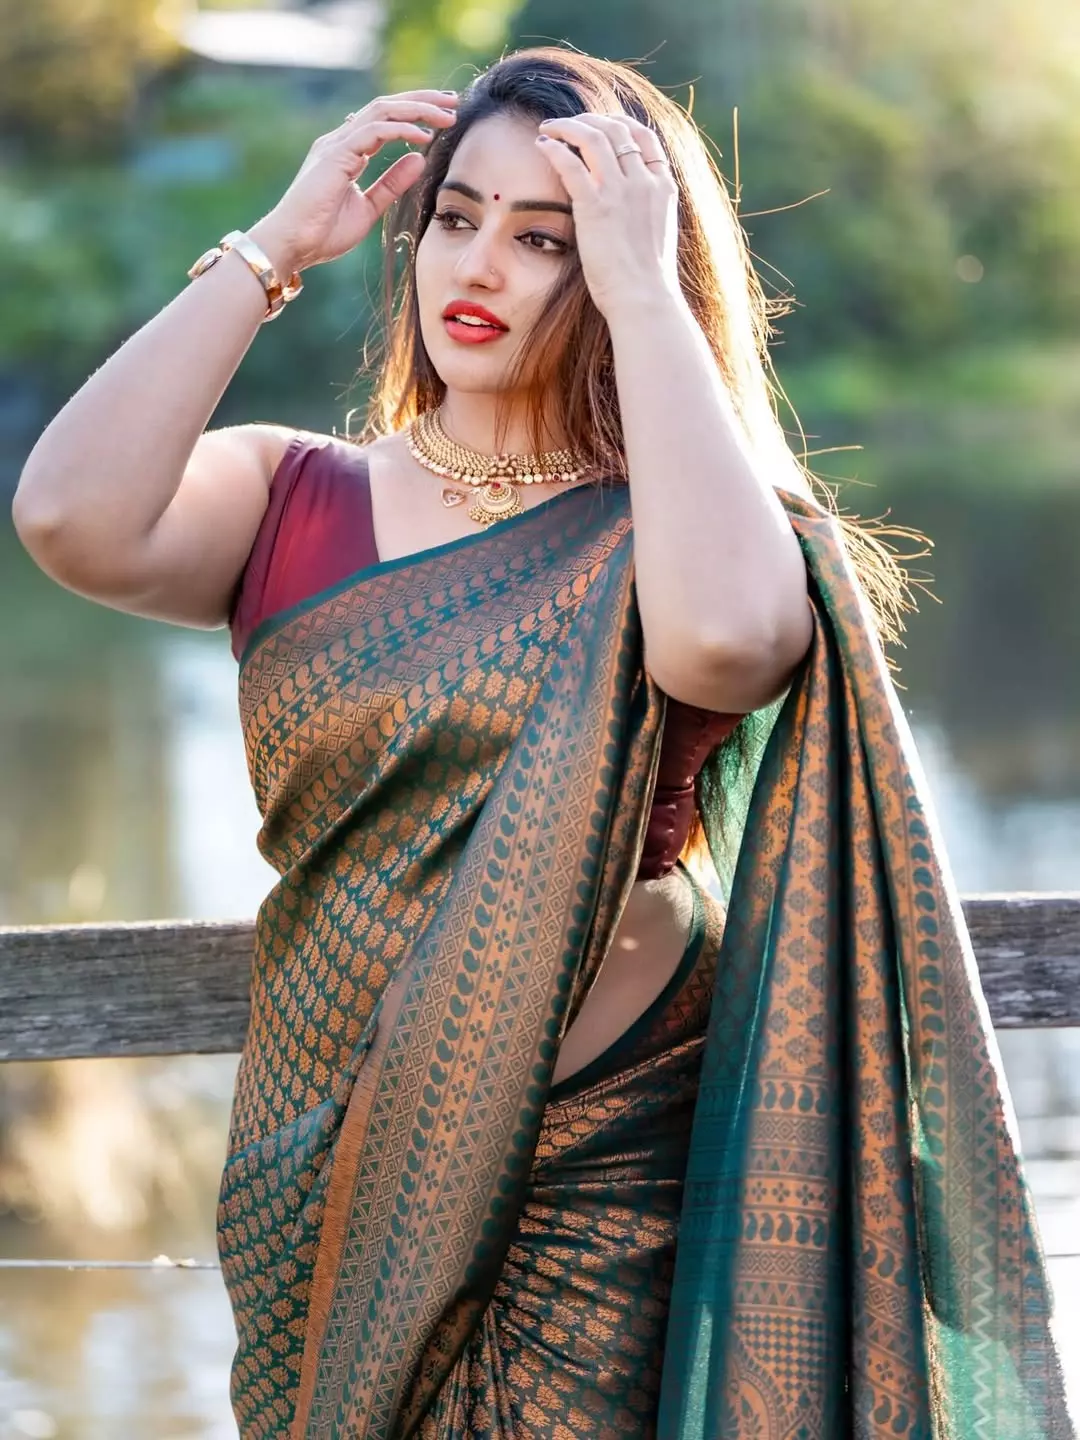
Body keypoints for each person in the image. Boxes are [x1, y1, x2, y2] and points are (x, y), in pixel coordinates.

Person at [12, 45, 1071, 1440]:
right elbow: (69, 518)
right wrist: (274, 249)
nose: (479, 266)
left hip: (607, 1181)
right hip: (324, 1162)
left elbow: (731, 644)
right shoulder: (295, 497)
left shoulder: (682, 518)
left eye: (544, 239)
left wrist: (644, 291)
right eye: (456, 218)